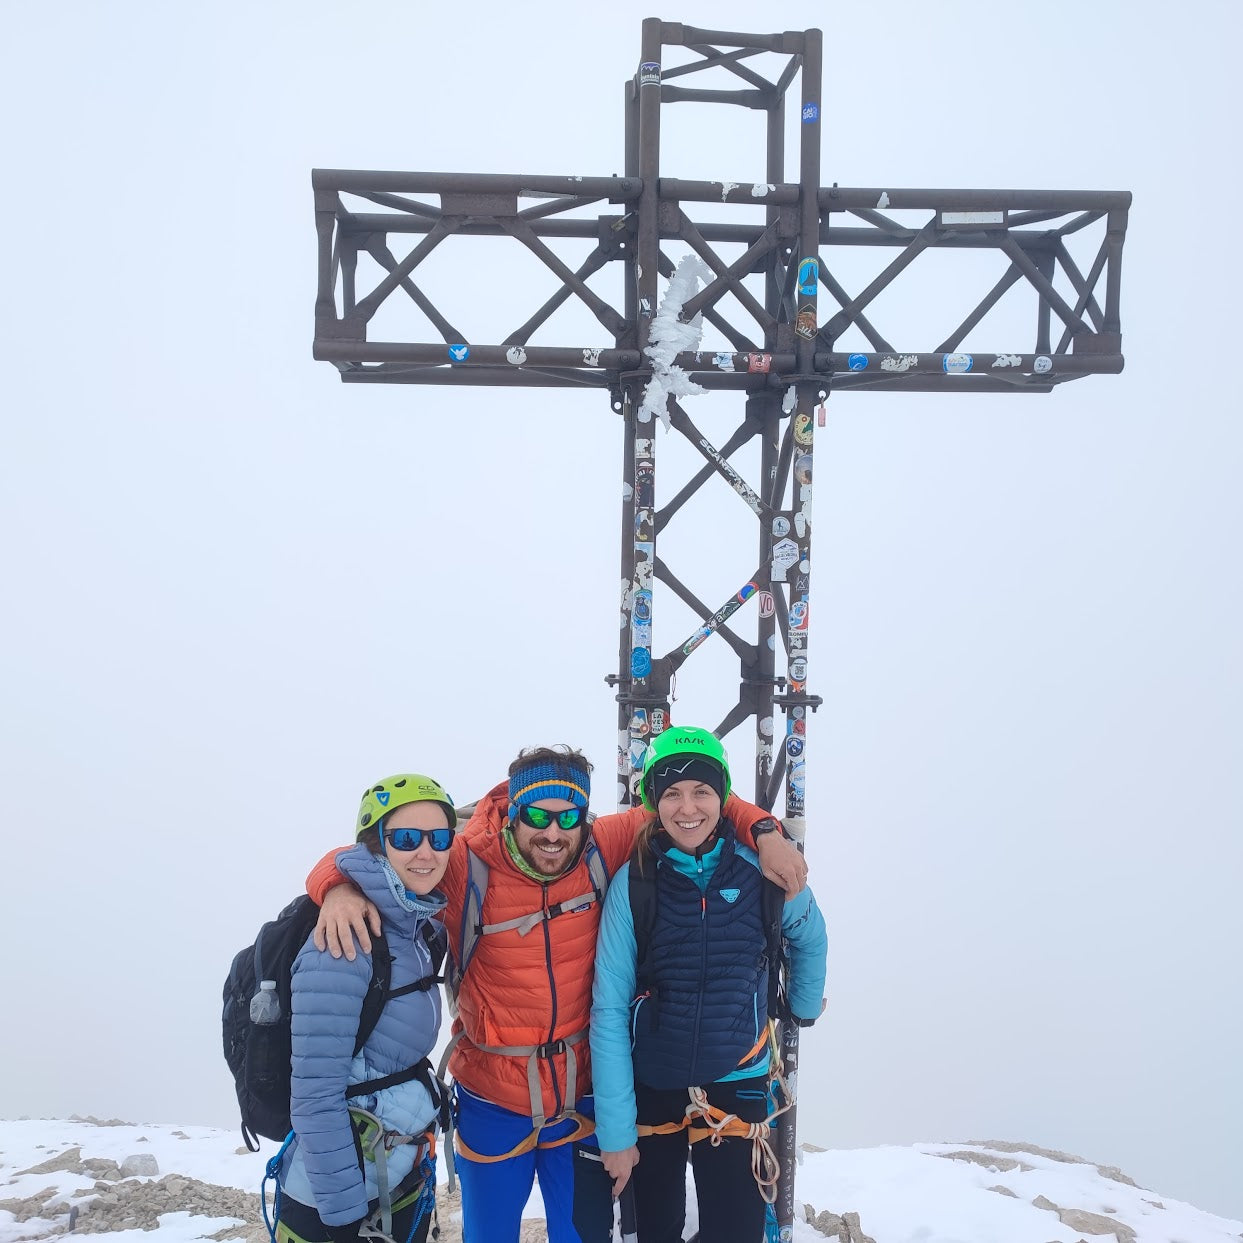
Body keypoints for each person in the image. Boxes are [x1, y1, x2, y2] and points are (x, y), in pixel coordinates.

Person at [307, 744, 808, 1243]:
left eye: (568, 817)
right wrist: (338, 888)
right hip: (492, 1095)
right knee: (490, 1236)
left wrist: (765, 832)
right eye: (536, 816)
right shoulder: (465, 865)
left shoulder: (601, 845)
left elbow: (689, 802)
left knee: (581, 1236)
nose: (553, 833)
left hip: (578, 1097)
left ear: (584, 819)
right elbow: (366, 857)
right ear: (512, 816)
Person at [590, 728, 828, 1243]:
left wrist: (802, 1007)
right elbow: (608, 1008)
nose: (687, 807)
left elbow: (810, 934)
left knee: (736, 1230)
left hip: (736, 1073)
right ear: (653, 801)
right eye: (671, 793)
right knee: (656, 1230)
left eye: (701, 791)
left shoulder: (761, 871)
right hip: (654, 1079)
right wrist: (615, 1131)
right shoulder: (635, 884)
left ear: (723, 796)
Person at [275, 774, 455, 1243]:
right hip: (339, 1202)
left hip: (393, 1176)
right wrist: (345, 1219)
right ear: (376, 846)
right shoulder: (341, 944)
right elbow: (315, 1097)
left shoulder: (414, 927)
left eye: (439, 838)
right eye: (406, 838)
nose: (426, 852)